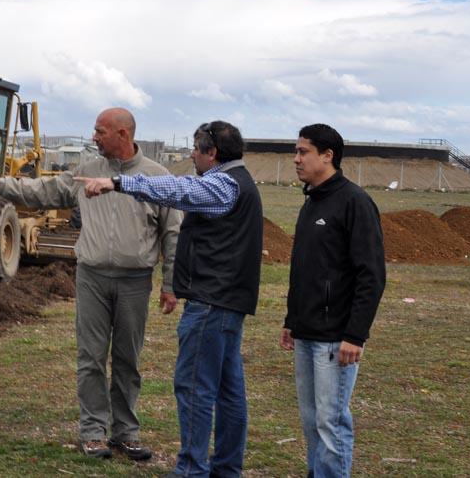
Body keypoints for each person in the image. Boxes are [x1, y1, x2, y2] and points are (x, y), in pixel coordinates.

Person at [0, 107, 181, 461]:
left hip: (135, 282)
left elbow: (173, 233)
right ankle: (92, 433)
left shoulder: (157, 177)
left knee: (127, 359)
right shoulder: (88, 171)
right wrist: (3, 185)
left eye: (100, 131)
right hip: (92, 278)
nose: (94, 137)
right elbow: (48, 190)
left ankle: (126, 433)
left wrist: (171, 283)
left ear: (123, 134)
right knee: (91, 358)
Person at [76, 120, 263, 477]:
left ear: (213, 153)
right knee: (228, 391)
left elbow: (179, 191)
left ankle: (191, 469)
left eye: (196, 148)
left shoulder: (223, 184)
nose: (191, 154)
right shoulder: (240, 181)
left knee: (194, 387)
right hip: (226, 303)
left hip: (211, 303)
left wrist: (118, 182)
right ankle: (226, 468)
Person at [279, 123, 386, 478]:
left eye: (303, 152)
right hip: (306, 333)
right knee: (312, 422)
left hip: (335, 337)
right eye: (296, 151)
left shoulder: (354, 202)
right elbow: (307, 270)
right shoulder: (311, 200)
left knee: (331, 422)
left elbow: (370, 275)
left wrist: (355, 334)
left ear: (328, 156)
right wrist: (292, 321)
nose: (296, 159)